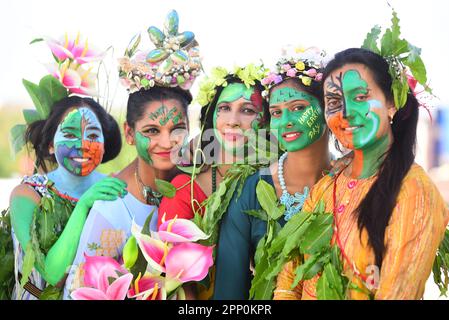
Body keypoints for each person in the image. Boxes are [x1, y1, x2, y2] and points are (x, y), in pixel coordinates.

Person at [274, 43, 449, 299]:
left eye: (360, 97)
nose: (345, 113)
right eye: (333, 101)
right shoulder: (325, 187)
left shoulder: (414, 191)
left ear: (391, 103)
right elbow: (289, 281)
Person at [63, 10, 201, 299]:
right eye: (151, 131)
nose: (167, 142)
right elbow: (80, 291)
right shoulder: (111, 207)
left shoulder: (197, 184)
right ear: (129, 133)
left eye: (177, 128)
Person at [212, 47, 332, 299]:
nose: (286, 120)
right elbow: (228, 295)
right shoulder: (250, 191)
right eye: (276, 112)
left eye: (298, 107)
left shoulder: (352, 182)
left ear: (328, 107)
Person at [157, 64, 270, 225]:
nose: (232, 121)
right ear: (211, 116)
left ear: (267, 121)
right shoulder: (185, 191)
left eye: (248, 110)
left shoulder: (278, 180)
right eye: (224, 108)